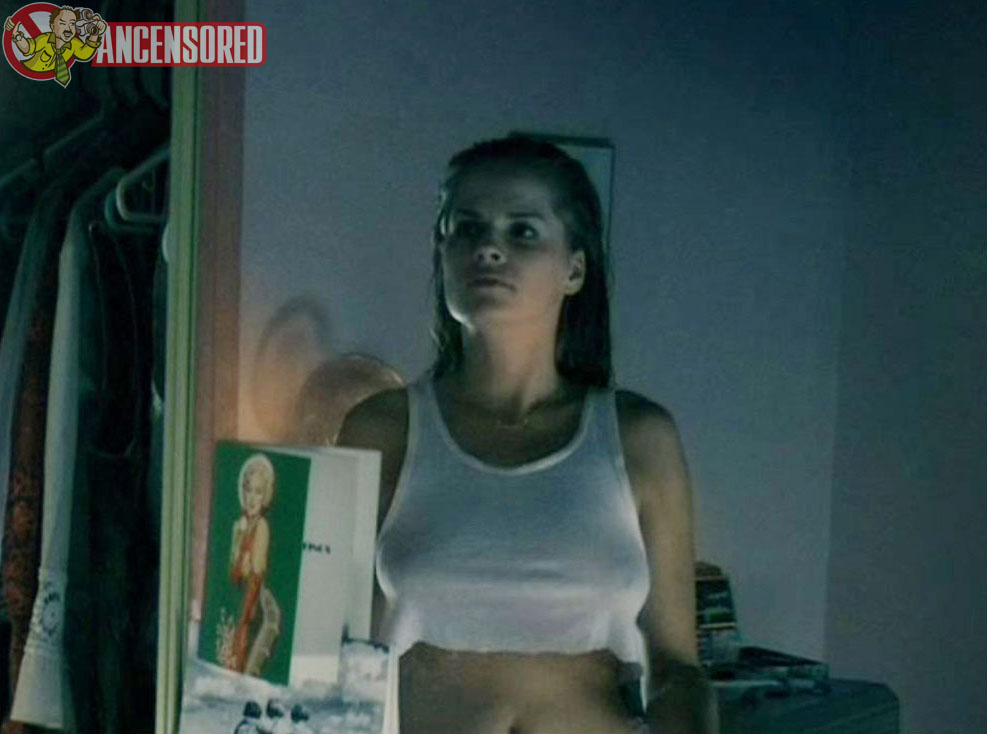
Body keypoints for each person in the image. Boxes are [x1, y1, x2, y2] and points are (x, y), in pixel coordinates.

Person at [337, 136, 718, 733]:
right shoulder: (381, 429)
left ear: (575, 268)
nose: (488, 248)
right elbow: (318, 649)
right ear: (442, 251)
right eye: (467, 227)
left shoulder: (638, 437)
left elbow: (677, 669)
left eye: (522, 231)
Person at [229, 453, 277, 674]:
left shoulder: (262, 526)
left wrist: (245, 558)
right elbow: (233, 573)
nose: (251, 498)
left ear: (265, 495)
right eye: (248, 490)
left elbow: (256, 569)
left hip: (252, 603)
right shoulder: (240, 526)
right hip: (238, 600)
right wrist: (238, 538)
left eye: (258, 491)